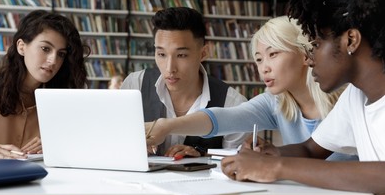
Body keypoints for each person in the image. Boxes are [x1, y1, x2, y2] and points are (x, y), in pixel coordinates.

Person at [220, 0, 385, 195]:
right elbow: (310, 149)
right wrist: (270, 155)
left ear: (351, 40)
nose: (308, 60)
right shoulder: (355, 97)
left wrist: (275, 168)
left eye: (316, 45)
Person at [145, 15, 352, 161]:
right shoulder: (275, 103)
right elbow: (225, 117)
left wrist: (277, 158)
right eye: (259, 59)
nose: (264, 68)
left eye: (273, 54)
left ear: (305, 54)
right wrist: (167, 126)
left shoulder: (348, 100)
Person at [122, 7, 248, 157]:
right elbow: (111, 142)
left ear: (203, 53)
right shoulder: (134, 85)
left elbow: (238, 166)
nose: (170, 68)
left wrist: (203, 157)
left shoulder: (233, 104)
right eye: (161, 54)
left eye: (181, 55)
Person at [0, 9, 89, 195]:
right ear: (21, 46)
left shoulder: (63, 102)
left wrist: (60, 150)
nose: (53, 60)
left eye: (61, 54)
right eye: (45, 49)